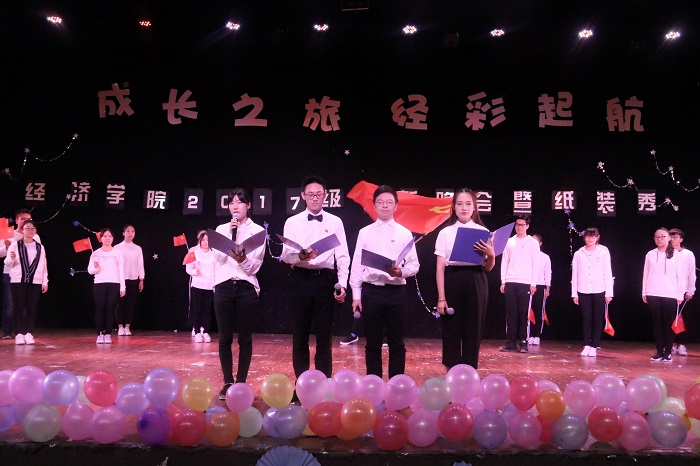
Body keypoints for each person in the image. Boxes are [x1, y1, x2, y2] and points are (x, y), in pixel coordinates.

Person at [282, 175, 350, 383]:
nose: (314, 198)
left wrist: (342, 284)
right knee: (300, 335)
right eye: (310, 194)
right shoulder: (292, 222)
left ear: (325, 195)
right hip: (300, 279)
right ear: (303, 196)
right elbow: (286, 256)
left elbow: (343, 256)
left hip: (325, 280)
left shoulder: (335, 222)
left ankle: (325, 383)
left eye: (318, 194)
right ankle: (301, 383)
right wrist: (300, 257)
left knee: (324, 336)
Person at [350, 184, 420, 379]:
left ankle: (397, 386)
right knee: (372, 343)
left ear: (396, 206)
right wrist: (356, 295)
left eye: (389, 202)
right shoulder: (365, 232)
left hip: (396, 293)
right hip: (371, 292)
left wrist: (400, 272)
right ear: (374, 205)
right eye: (380, 202)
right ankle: (374, 385)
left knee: (397, 343)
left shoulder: (404, 233)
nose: (385, 205)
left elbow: (415, 265)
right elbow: (357, 265)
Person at [213, 188, 265, 400]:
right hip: (223, 286)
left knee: (245, 337)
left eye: (240, 202)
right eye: (232, 202)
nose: (235, 206)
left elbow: (255, 267)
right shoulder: (221, 229)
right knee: (224, 337)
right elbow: (218, 258)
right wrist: (229, 235)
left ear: (248, 205)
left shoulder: (258, 231)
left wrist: (242, 259)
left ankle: (241, 382)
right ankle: (227, 381)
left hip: (246, 287)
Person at [434, 188, 495, 370]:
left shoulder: (483, 231)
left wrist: (491, 254)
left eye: (468, 204)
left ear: (474, 207)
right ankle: (451, 373)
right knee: (451, 329)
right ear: (453, 207)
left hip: (477, 280)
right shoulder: (445, 232)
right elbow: (440, 267)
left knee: (473, 329)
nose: (464, 208)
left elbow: (488, 267)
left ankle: (470, 372)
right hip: (453, 279)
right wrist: (441, 298)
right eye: (459, 204)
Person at [642, 227, 685, 362]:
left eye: (662, 237)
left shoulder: (676, 255)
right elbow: (645, 273)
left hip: (670, 294)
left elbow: (681, 276)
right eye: (656, 237)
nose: (659, 239)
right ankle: (659, 351)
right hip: (652, 292)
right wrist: (644, 291)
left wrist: (680, 294)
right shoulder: (650, 254)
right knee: (656, 323)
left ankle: (668, 352)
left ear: (669, 238)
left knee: (668, 324)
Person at [3, 220, 48, 345]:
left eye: (32, 229)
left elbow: (43, 264)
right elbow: (7, 263)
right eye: (27, 228)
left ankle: (28, 333)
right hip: (18, 280)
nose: (30, 231)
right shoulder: (15, 245)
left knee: (31, 307)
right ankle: (19, 334)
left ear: (36, 231)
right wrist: (11, 258)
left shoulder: (40, 247)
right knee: (18, 306)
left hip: (35, 281)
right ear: (22, 230)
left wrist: (45, 281)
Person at [499, 214, 540, 353]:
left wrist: (533, 283)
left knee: (523, 313)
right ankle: (510, 341)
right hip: (510, 281)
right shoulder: (509, 241)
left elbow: (536, 264)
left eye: (522, 225)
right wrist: (503, 281)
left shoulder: (533, 243)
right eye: (517, 225)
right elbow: (504, 261)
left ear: (527, 226)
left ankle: (523, 341)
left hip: (525, 282)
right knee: (511, 313)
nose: (519, 227)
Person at [571, 227, 614, 357]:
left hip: (599, 289)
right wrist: (574, 293)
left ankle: (594, 346)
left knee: (597, 318)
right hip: (583, 289)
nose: (590, 239)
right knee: (586, 317)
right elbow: (574, 274)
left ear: (597, 237)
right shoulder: (578, 253)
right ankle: (586, 345)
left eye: (593, 236)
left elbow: (608, 273)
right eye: (588, 236)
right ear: (584, 237)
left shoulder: (603, 253)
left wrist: (609, 293)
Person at [1, 209, 38, 339]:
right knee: (10, 304)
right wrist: (6, 247)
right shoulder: (8, 234)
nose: (25, 221)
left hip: (28, 274)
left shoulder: (34, 235)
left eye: (28, 219)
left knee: (25, 304)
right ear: (17, 220)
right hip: (10, 273)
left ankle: (22, 332)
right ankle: (7, 331)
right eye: (22, 219)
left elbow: (38, 254)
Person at [87, 228, 125, 344]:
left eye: (110, 236)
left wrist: (122, 287)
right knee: (100, 310)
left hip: (114, 284)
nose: (107, 238)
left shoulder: (117, 253)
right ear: (101, 238)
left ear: (113, 238)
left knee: (110, 309)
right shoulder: (95, 253)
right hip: (99, 284)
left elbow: (121, 270)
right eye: (105, 236)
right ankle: (99, 334)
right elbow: (90, 271)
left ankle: (108, 334)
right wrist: (96, 267)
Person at [114, 224, 145, 336]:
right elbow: (114, 264)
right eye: (128, 231)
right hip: (120, 279)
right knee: (120, 304)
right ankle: (120, 327)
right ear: (123, 233)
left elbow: (140, 264)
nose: (130, 233)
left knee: (130, 304)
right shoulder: (117, 247)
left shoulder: (138, 248)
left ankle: (127, 327)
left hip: (133, 279)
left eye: (132, 231)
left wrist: (141, 279)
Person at [669, 228, 696, 357]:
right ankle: (671, 344)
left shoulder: (688, 254)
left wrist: (690, 290)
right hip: (669, 290)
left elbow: (691, 273)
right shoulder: (666, 253)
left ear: (681, 239)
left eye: (675, 237)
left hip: (683, 290)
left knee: (682, 318)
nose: (672, 239)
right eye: (670, 237)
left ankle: (682, 344)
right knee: (669, 318)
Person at [185, 230, 216, 343]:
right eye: (203, 240)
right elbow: (188, 269)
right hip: (197, 285)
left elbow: (216, 269)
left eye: (207, 240)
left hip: (209, 286)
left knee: (207, 310)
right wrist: (195, 271)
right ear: (200, 241)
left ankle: (206, 331)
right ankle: (197, 331)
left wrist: (215, 282)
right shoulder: (194, 253)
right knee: (197, 309)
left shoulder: (214, 254)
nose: (205, 242)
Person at [528, 233, 551, 346]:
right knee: (528, 310)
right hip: (527, 285)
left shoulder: (545, 257)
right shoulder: (526, 255)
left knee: (538, 311)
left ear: (540, 244)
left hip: (540, 285)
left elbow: (548, 273)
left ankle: (537, 335)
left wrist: (547, 288)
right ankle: (529, 335)